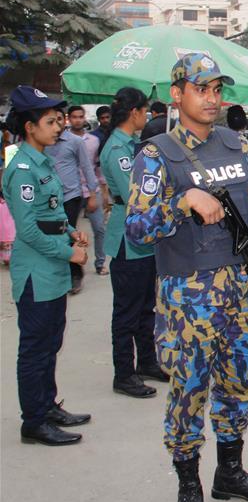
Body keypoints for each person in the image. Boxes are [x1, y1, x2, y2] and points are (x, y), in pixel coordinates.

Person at [125, 53, 248, 502]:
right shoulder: (156, 155)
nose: (212, 98)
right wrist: (182, 201)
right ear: (177, 95)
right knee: (189, 392)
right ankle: (188, 487)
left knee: (238, 384)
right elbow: (136, 229)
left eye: (217, 89)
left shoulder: (238, 147)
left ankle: (229, 473)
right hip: (185, 300)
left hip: (238, 293)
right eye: (201, 89)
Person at [2, 86, 92, 446]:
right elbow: (27, 231)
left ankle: (47, 405)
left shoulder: (43, 161)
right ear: (29, 127)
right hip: (36, 272)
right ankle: (33, 422)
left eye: (59, 121)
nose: (59, 128)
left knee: (51, 342)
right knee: (36, 348)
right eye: (51, 122)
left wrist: (72, 232)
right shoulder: (22, 168)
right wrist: (68, 253)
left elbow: (49, 213)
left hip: (51, 270)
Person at [100, 87, 169, 400]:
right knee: (126, 310)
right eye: (143, 111)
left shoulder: (133, 146)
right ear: (135, 112)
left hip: (144, 239)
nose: (146, 116)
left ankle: (147, 362)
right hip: (128, 239)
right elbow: (135, 194)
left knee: (146, 307)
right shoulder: (118, 150)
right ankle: (123, 374)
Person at [44, 105, 99, 293]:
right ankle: (58, 274)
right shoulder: (45, 142)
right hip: (49, 197)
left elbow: (86, 166)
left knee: (67, 235)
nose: (56, 124)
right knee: (51, 235)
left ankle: (75, 274)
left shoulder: (75, 141)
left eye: (58, 119)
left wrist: (92, 194)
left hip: (70, 196)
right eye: (52, 120)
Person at [80, 111, 109, 276]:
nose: (77, 120)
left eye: (80, 116)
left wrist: (102, 191)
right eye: (74, 117)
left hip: (92, 190)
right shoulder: (61, 141)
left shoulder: (94, 140)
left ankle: (100, 263)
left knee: (99, 228)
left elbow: (97, 167)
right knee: (70, 233)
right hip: (71, 193)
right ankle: (74, 270)